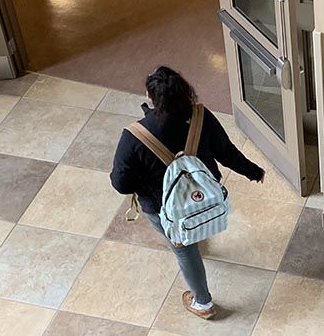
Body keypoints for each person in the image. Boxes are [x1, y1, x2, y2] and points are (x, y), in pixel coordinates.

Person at [110, 66, 264, 320]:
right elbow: (226, 152)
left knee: (184, 248)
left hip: (163, 208)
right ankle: (197, 236)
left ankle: (203, 303)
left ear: (150, 96)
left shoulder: (135, 136)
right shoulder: (201, 117)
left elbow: (121, 184)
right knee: (189, 238)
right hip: (204, 197)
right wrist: (253, 171)